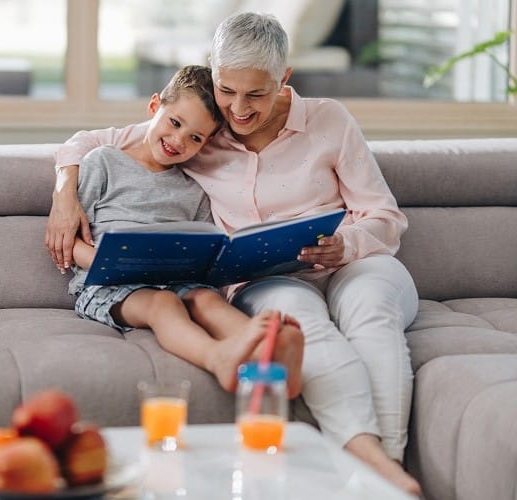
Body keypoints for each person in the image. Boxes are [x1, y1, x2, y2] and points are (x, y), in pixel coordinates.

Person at [45, 13, 421, 497]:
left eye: (256, 95)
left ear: (283, 79)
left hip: (357, 261)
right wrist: (64, 190)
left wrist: (345, 244)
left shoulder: (329, 119)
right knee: (301, 327)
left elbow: (384, 217)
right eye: (227, 90)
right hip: (275, 278)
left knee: (371, 313)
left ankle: (384, 470)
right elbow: (102, 142)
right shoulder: (204, 131)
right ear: (213, 74)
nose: (239, 109)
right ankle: (381, 474)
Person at [66, 64, 304, 395]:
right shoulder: (103, 161)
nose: (178, 141)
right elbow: (70, 241)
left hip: (176, 279)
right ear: (154, 107)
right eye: (174, 123)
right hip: (108, 283)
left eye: (195, 138)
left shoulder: (193, 187)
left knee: (206, 299)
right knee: (164, 303)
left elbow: (206, 247)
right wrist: (107, 261)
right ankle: (218, 358)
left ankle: (269, 349)